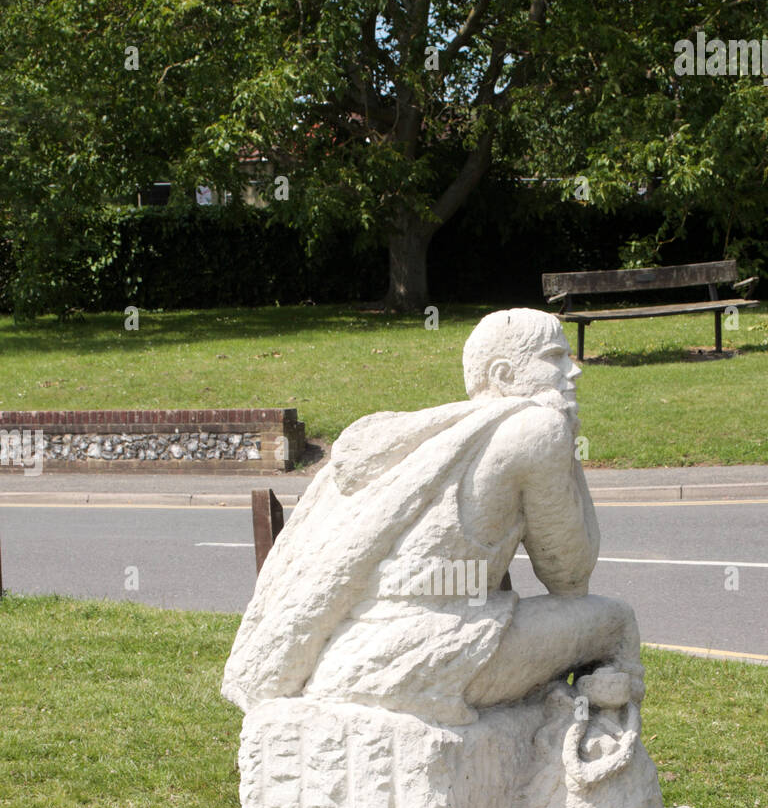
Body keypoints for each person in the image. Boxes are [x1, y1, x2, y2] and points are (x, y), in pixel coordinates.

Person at [222, 308, 643, 724]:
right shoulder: (536, 429)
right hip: (429, 656)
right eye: (555, 357)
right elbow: (570, 577)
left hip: (349, 654)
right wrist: (567, 442)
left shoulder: (425, 437)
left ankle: (560, 726)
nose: (574, 370)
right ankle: (595, 751)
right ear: (503, 375)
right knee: (615, 620)